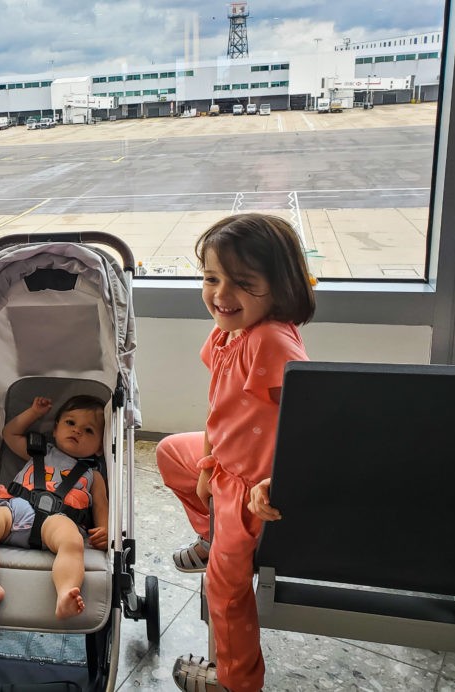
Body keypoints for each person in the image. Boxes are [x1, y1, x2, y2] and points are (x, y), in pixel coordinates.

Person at [156, 213, 315, 692]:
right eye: (211, 278)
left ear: (280, 285)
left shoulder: (269, 340)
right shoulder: (228, 332)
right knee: (169, 454)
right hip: (224, 467)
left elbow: (310, 421)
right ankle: (212, 536)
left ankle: (235, 681)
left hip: (251, 488)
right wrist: (206, 460)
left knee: (224, 589)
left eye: (242, 283)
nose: (220, 296)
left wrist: (279, 481)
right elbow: (219, 407)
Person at [0, 394, 109, 621]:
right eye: (70, 423)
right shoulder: (39, 451)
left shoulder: (93, 475)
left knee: (72, 542)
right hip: (14, 509)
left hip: (58, 520)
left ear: (100, 447)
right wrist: (34, 413)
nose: (77, 431)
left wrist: (105, 528)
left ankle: (65, 592)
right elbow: (9, 434)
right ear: (56, 428)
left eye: (89, 430)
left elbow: (101, 506)